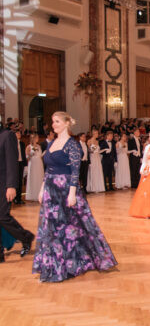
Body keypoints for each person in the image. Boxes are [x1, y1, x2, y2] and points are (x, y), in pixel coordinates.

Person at [33, 111, 117, 282]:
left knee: (72, 227)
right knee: (52, 229)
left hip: (66, 189)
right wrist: (42, 189)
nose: (53, 124)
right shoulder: (51, 143)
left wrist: (72, 194)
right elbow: (48, 169)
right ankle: (53, 265)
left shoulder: (73, 145)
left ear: (66, 124)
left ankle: (73, 263)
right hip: (51, 189)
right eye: (53, 121)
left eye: (57, 121)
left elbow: (75, 171)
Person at [0, 126, 35, 263]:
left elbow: (12, 163)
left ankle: (26, 236)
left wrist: (11, 186)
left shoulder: (7, 135)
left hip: (4, 185)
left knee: (2, 216)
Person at [25, 133, 45, 201]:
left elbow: (40, 155)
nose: (38, 139)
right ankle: (32, 195)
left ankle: (39, 195)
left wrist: (43, 154)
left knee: (39, 178)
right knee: (33, 178)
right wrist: (31, 152)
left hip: (39, 163)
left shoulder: (39, 146)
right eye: (36, 138)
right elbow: (27, 157)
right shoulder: (29, 147)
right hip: (33, 163)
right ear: (33, 139)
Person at [87, 129, 105, 193]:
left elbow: (98, 150)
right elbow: (90, 151)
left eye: (98, 133)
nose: (97, 134)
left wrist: (102, 150)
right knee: (93, 171)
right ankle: (93, 188)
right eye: (96, 133)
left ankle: (98, 187)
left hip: (97, 157)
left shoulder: (97, 141)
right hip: (93, 157)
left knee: (98, 171)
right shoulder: (89, 141)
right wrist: (94, 150)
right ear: (93, 134)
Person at [14, 129, 27, 204]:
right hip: (15, 164)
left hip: (21, 163)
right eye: (17, 133)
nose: (19, 134)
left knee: (20, 181)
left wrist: (25, 165)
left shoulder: (22, 143)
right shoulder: (12, 143)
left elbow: (23, 155)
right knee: (15, 180)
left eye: (19, 133)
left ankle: (19, 198)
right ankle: (15, 198)